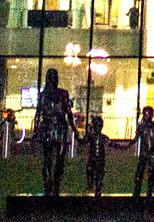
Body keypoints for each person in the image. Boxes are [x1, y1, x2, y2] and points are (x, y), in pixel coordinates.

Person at [33, 68, 74, 197]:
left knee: (59, 159)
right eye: (51, 78)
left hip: (60, 128)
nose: (53, 81)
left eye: (54, 77)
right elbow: (38, 114)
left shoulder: (63, 94)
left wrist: (74, 129)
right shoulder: (43, 95)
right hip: (48, 128)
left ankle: (56, 185)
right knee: (48, 159)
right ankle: (48, 186)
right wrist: (35, 132)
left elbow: (68, 112)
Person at [133, 107, 154, 198]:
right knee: (140, 170)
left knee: (152, 171)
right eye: (145, 114)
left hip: (153, 152)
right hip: (144, 152)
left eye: (148, 114)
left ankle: (150, 190)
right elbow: (136, 138)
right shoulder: (141, 126)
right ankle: (137, 190)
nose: (147, 116)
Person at [84, 115, 109, 196]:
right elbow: (83, 141)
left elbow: (112, 143)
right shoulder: (91, 136)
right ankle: (90, 184)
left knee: (99, 174)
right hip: (92, 158)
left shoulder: (103, 137)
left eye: (99, 126)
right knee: (90, 170)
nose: (98, 128)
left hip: (100, 159)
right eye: (96, 125)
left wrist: (125, 146)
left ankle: (98, 188)